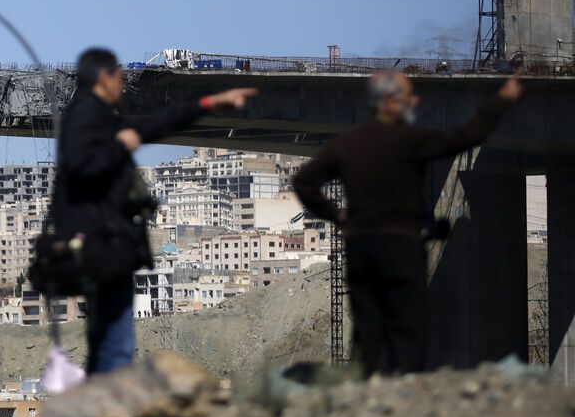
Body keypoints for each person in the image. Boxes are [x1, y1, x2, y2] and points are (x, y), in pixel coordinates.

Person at [292, 70, 523, 376]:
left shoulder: (349, 143)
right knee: (408, 325)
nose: (414, 101)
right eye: (407, 95)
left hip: (361, 248)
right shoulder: (410, 140)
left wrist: (337, 215)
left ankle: (370, 389)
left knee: (368, 326)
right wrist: (502, 100)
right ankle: (405, 390)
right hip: (401, 245)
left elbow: (304, 181)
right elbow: (467, 135)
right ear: (388, 102)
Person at [53, 47, 256, 374]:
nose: (123, 83)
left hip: (106, 246)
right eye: (119, 76)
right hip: (100, 246)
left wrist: (206, 104)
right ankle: (109, 415)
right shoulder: (85, 116)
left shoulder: (97, 116)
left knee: (111, 343)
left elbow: (150, 128)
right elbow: (80, 166)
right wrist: (121, 146)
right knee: (115, 347)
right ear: (104, 77)